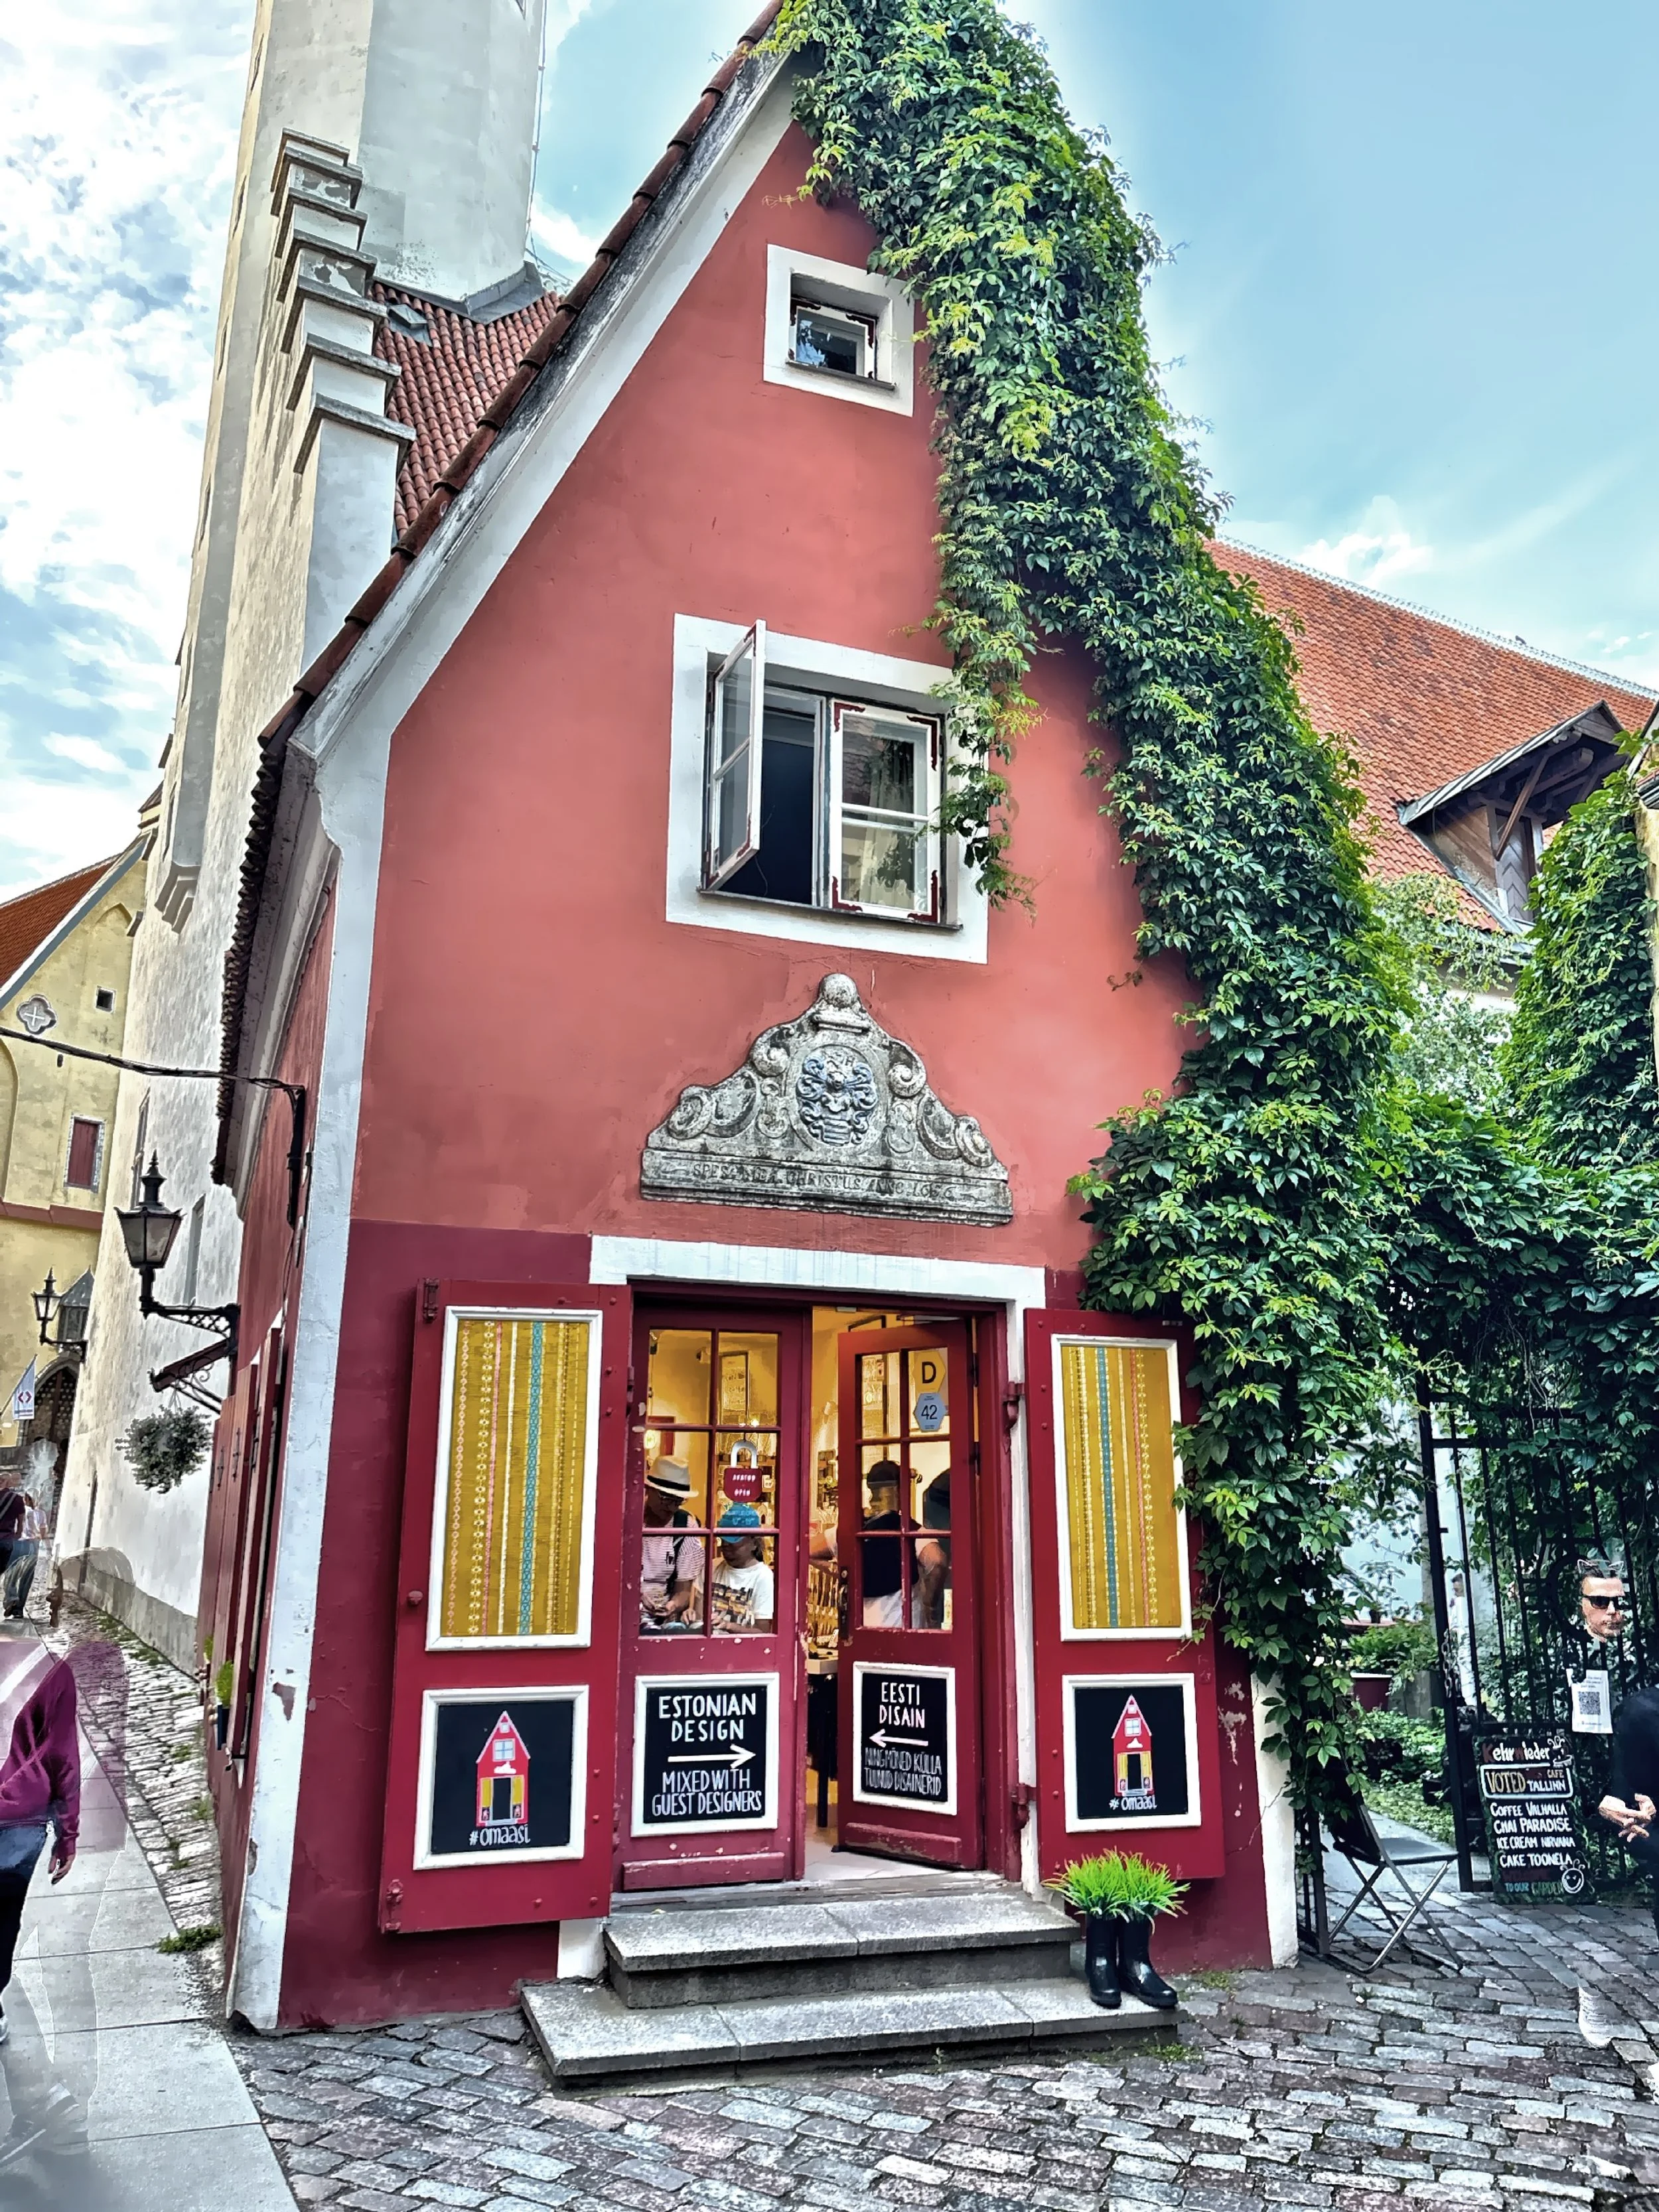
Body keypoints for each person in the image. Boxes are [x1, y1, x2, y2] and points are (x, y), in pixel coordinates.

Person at [639, 1457, 704, 1631]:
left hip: (664, 1617)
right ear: (649, 1489)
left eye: (679, 1501)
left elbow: (684, 1589)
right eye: (666, 1499)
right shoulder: (628, 1517)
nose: (672, 1508)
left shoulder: (685, 1525)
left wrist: (673, 1604)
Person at [710, 1504, 776, 1633]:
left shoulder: (763, 1576)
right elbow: (699, 1615)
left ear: (754, 1543)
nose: (725, 1547)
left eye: (733, 1543)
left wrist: (728, 1626)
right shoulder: (713, 1567)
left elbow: (762, 1631)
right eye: (723, 1541)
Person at [860, 1462, 904, 1628]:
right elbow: (937, 1561)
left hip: (863, 1624)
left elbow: (810, 1550)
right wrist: (931, 1605)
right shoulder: (909, 1528)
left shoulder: (856, 1527)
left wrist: (841, 1572)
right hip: (901, 1624)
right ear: (896, 1490)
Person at [2, 1491, 46, 1622]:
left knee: (11, 1573)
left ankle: (12, 1597)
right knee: (26, 1578)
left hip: (16, 1544)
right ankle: (19, 1609)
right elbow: (42, 1532)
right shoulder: (40, 1513)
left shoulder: (16, 1510)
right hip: (32, 1545)